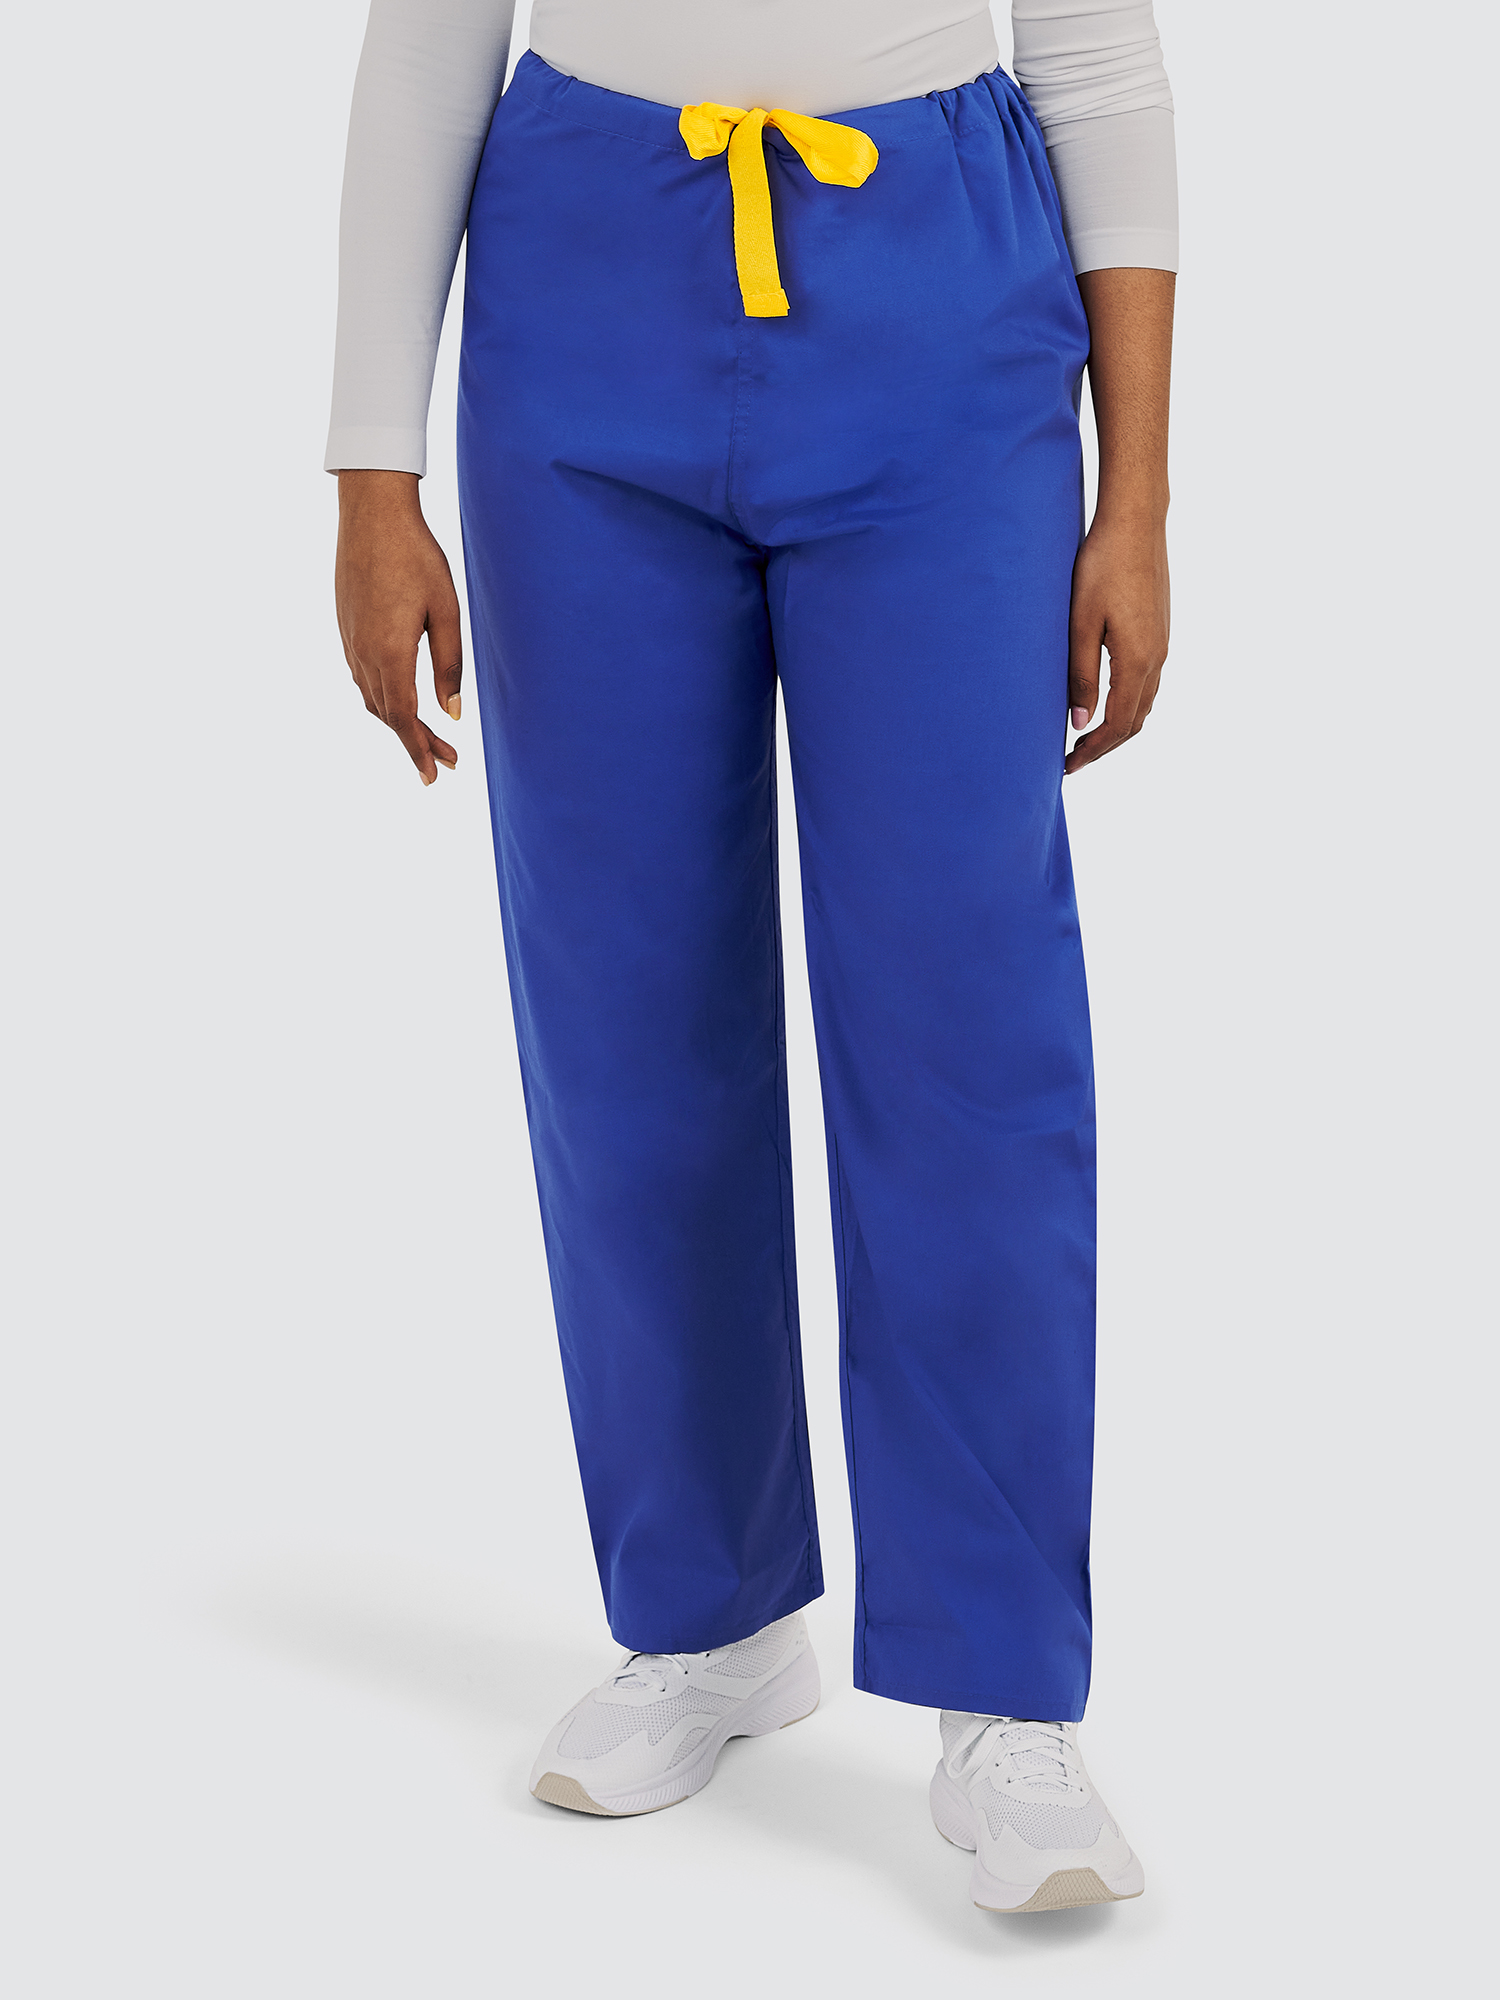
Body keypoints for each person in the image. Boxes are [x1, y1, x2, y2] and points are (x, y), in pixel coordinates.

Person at [328, 0, 1174, 1916]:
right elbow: (431, 37)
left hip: (934, 298)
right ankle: (704, 1619)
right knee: (622, 1007)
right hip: (582, 284)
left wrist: (1134, 496)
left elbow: (1101, 58)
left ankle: (1003, 1695)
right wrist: (373, 473)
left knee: (964, 1022)